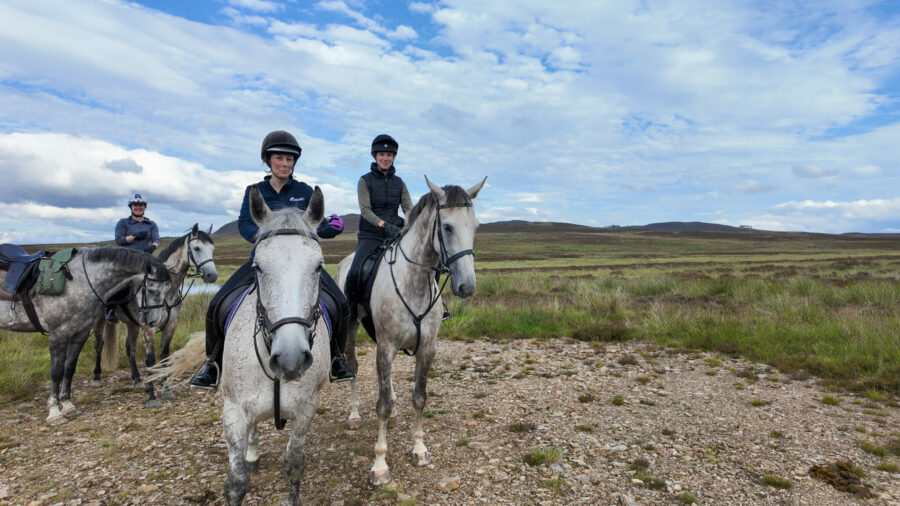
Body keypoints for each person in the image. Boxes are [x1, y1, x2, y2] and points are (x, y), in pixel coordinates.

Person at [189, 130, 353, 389]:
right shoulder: (255, 191)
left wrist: (328, 229)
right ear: (268, 160)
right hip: (264, 261)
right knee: (217, 304)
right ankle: (212, 363)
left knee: (341, 304)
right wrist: (269, 241)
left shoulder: (304, 190)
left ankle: (337, 359)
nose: (285, 164)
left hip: (300, 264)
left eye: (290, 159)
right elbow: (245, 224)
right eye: (280, 158)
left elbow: (314, 224)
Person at [344, 134, 450, 320]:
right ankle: (350, 311)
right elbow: (365, 210)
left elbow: (409, 208)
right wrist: (383, 225)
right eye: (382, 154)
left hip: (396, 232)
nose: (385, 158)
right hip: (371, 234)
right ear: (375, 156)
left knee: (435, 263)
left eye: (389, 155)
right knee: (355, 272)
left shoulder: (399, 183)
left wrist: (410, 225)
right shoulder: (365, 181)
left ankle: (435, 306)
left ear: (393, 157)